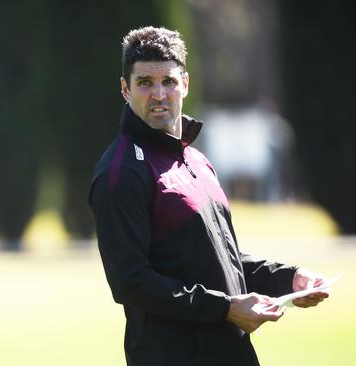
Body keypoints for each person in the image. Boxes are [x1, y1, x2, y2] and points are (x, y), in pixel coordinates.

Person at [88, 26, 329, 366]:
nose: (159, 94)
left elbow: (218, 257)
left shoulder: (196, 160)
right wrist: (226, 309)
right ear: (125, 89)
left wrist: (288, 278)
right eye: (145, 82)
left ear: (184, 83)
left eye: (168, 81)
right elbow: (130, 282)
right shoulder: (120, 172)